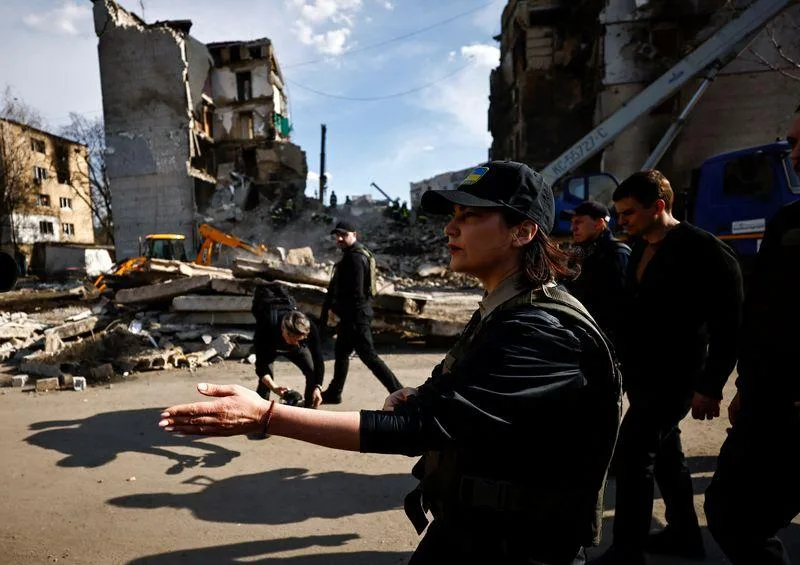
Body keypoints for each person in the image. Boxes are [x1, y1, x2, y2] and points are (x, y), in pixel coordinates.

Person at [159, 161, 622, 565]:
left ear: (522, 232)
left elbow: (420, 428)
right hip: (475, 529)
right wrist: (421, 394)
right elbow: (472, 395)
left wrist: (267, 416)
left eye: (471, 216)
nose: (450, 229)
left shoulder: (540, 330)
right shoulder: (504, 308)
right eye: (453, 216)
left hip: (521, 547)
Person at [590, 170, 744, 565]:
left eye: (628, 212)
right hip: (642, 374)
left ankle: (628, 549)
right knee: (666, 455)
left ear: (658, 206)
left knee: (633, 453)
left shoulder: (704, 250)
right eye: (618, 213)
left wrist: (710, 386)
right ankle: (684, 536)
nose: (621, 220)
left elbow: (730, 325)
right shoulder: (640, 247)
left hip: (677, 376)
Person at [704, 108, 800, 565]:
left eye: (799, 144)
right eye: (792, 143)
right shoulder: (788, 222)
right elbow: (764, 315)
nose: (793, 156)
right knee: (730, 513)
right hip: (769, 402)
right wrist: (745, 386)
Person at [319, 221, 403, 404]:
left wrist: (337, 311)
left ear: (354, 235)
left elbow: (356, 293)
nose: (340, 238)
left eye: (344, 235)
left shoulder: (355, 258)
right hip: (352, 315)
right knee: (341, 352)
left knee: (369, 356)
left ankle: (400, 392)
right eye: (337, 235)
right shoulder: (353, 255)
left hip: (355, 316)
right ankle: (334, 392)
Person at [562, 200, 630, 341]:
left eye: (578, 222)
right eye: (572, 222)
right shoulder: (580, 253)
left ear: (599, 224)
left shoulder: (616, 254)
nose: (573, 228)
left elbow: (618, 308)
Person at [251, 283, 324, 410]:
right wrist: (275, 387)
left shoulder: (309, 328)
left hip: (285, 342)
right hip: (271, 345)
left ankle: (309, 408)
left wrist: (318, 387)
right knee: (266, 382)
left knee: (312, 372)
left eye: (300, 340)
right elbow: (261, 368)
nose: (297, 344)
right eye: (294, 340)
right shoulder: (266, 326)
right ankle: (260, 412)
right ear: (284, 331)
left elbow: (318, 360)